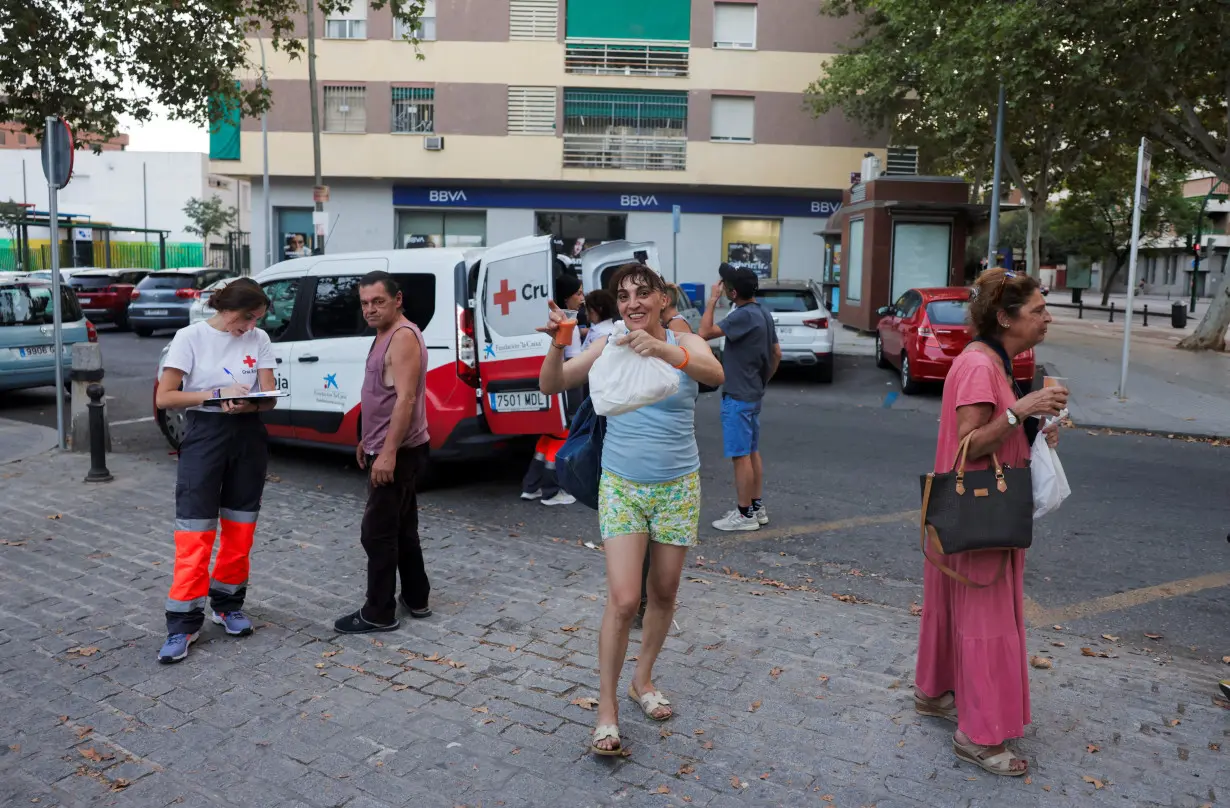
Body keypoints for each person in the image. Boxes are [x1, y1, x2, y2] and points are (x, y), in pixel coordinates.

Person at [539, 263, 724, 757]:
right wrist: (560, 341)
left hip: (678, 487)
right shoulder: (610, 341)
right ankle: (606, 710)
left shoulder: (685, 338)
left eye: (643, 294)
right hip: (622, 486)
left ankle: (643, 680)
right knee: (624, 600)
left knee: (662, 592)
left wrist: (665, 349)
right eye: (623, 296)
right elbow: (552, 385)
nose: (632, 303)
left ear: (663, 298)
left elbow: (714, 373)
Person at [914, 268, 1068, 777]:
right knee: (986, 619)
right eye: (1038, 310)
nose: (1047, 317)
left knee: (950, 601)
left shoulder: (991, 358)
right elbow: (969, 442)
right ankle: (978, 737)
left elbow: (995, 431)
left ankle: (935, 694)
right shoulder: (982, 366)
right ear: (1005, 317)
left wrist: (1032, 429)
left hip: (970, 508)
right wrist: (1021, 409)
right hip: (985, 508)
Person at [154, 279, 279, 663]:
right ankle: (183, 623)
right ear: (226, 309)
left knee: (241, 526)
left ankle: (228, 604)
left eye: (257, 319)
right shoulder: (189, 337)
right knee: (196, 529)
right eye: (246, 318)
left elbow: (269, 397)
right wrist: (215, 395)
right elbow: (166, 396)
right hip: (204, 433)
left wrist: (249, 405)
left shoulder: (259, 339)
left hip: (247, 435)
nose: (249, 327)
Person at [334, 271, 433, 634]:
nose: (371, 309)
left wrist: (388, 452)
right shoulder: (384, 334)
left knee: (375, 532)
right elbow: (382, 395)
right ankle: (417, 597)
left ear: (397, 299)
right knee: (402, 527)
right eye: (365, 303)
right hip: (390, 445)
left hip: (401, 450)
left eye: (378, 301)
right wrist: (367, 439)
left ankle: (378, 611)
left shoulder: (402, 337)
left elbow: (405, 399)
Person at [699, 263, 780, 532]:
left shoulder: (742, 315)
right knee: (751, 451)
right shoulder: (763, 313)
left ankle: (745, 514)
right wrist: (762, 380)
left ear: (732, 293)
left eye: (724, 285)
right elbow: (776, 353)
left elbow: (704, 333)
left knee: (740, 456)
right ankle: (756, 507)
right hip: (753, 392)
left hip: (738, 395)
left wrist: (711, 300)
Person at [520, 274, 587, 506]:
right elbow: (571, 356)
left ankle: (531, 486)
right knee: (563, 433)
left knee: (550, 435)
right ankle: (551, 490)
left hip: (559, 380)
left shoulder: (565, 319)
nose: (582, 298)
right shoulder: (565, 321)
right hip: (568, 383)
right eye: (578, 293)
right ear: (567, 297)